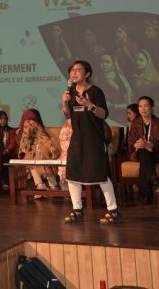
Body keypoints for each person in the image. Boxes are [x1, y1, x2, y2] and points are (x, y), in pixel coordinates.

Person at [62, 60, 119, 224]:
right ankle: (77, 209)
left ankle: (113, 209)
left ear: (87, 74)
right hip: (77, 138)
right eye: (72, 70)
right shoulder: (70, 92)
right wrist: (65, 102)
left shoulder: (95, 91)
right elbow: (67, 115)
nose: (74, 73)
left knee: (100, 174)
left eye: (78, 70)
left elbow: (103, 114)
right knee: (72, 174)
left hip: (94, 139)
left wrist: (90, 105)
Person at [126, 95, 159, 204]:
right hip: (139, 153)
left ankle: (147, 195)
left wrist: (151, 145)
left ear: (152, 108)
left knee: (144, 157)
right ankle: (153, 177)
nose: (143, 109)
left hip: (156, 154)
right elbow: (130, 141)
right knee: (142, 151)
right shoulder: (135, 123)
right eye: (140, 106)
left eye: (146, 106)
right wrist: (136, 144)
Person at [16, 108, 60, 191]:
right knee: (34, 158)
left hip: (40, 148)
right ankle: (52, 185)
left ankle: (41, 184)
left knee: (30, 158)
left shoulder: (28, 122)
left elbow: (26, 139)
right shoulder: (38, 124)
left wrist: (21, 152)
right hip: (48, 148)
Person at [0, 110, 18, 188]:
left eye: (5, 118)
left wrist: (7, 150)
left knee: (6, 157)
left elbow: (12, 143)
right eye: (1, 118)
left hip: (8, 152)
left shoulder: (10, 130)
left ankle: (6, 181)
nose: (3, 120)